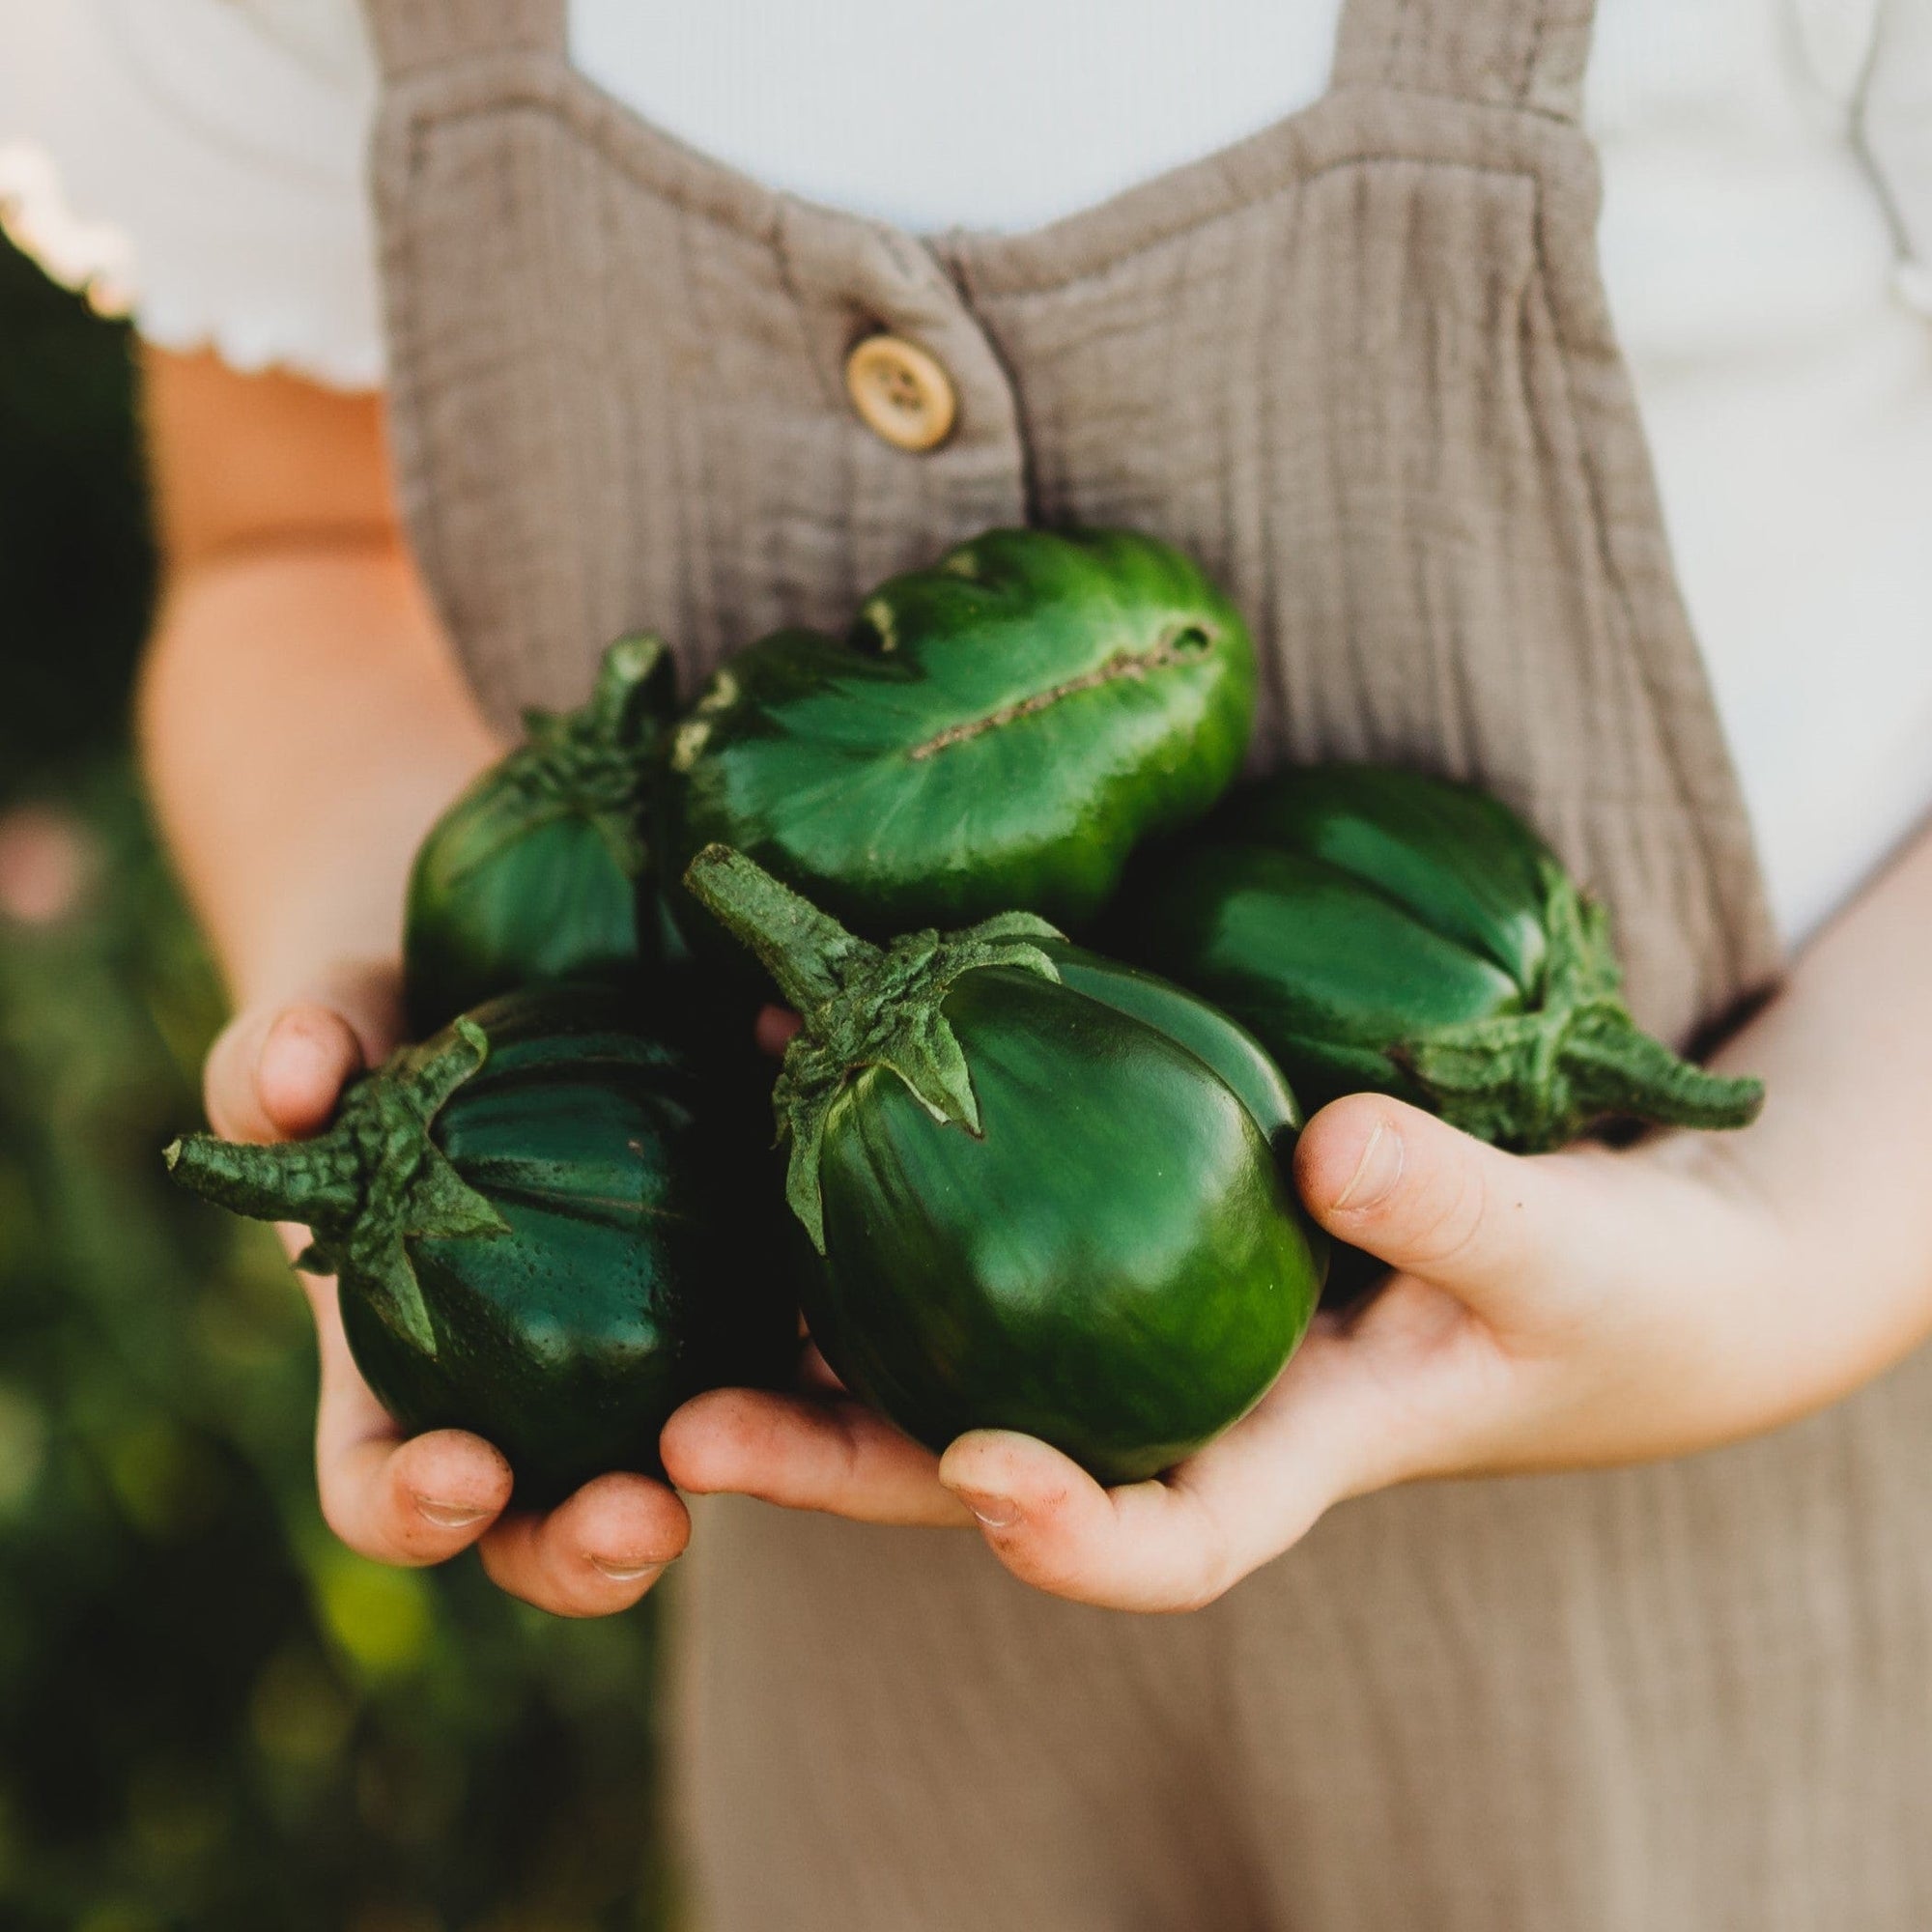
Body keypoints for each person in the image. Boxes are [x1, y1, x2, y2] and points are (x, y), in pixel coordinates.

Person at [8, 0, 1932, 1922]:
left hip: (1761, 1597)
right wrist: (418, 1015)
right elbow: (301, 536)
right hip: (880, 1665)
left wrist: (1782, 1231)